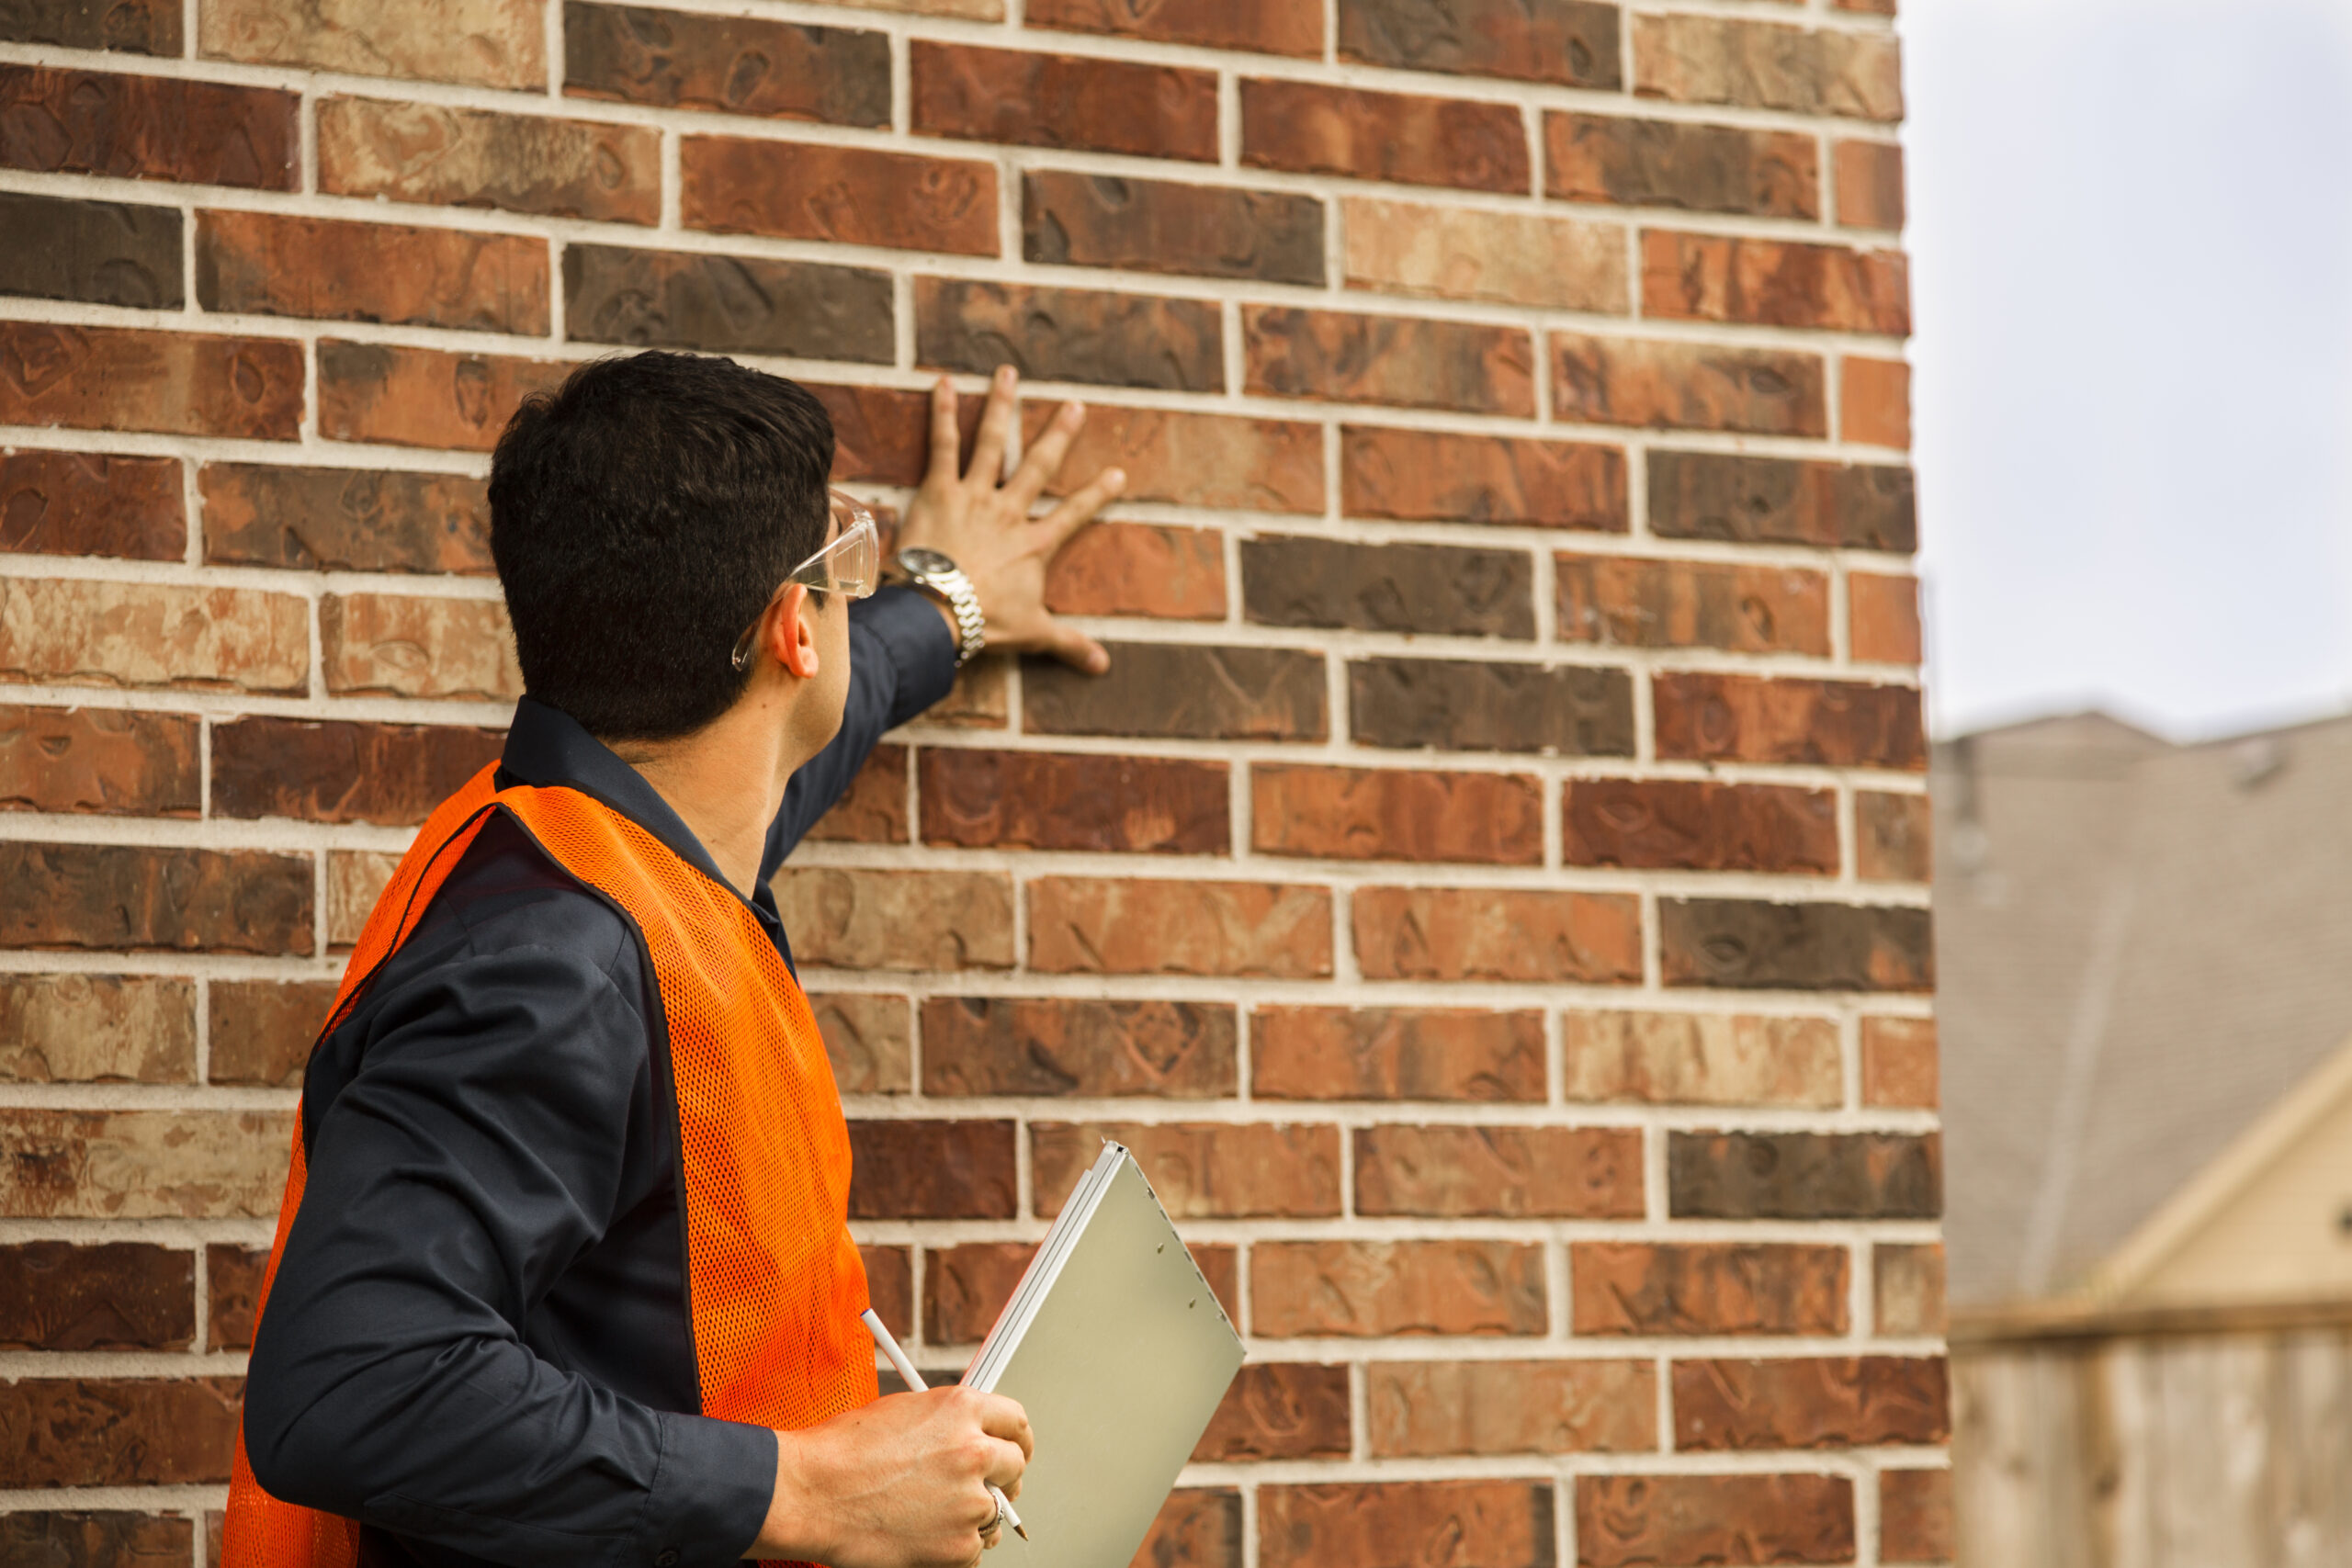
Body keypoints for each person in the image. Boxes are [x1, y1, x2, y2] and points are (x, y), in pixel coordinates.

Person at [224, 351, 1128, 1568]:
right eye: (839, 569)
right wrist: (808, 1491)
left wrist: (949, 602)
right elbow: (349, 1383)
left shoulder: (604, 825)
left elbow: (814, 724)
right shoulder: (554, 963)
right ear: (792, 630)